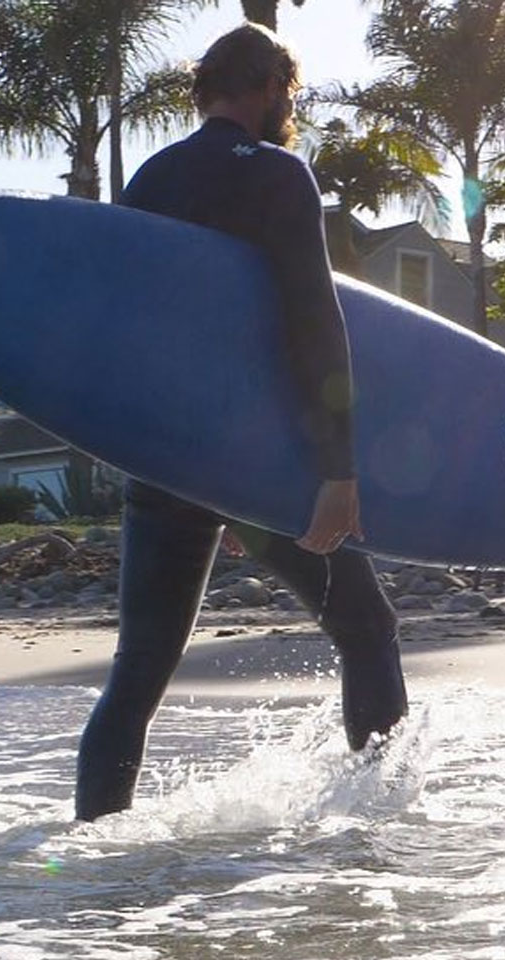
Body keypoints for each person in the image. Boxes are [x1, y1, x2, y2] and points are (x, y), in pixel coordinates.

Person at [75, 23, 407, 822]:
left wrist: (192, 475)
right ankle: (380, 826)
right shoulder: (277, 174)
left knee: (139, 670)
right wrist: (336, 471)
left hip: (166, 458)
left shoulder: (151, 177)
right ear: (267, 88)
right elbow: (311, 321)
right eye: (285, 91)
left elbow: (132, 332)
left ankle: (91, 858)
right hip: (263, 459)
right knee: (367, 629)